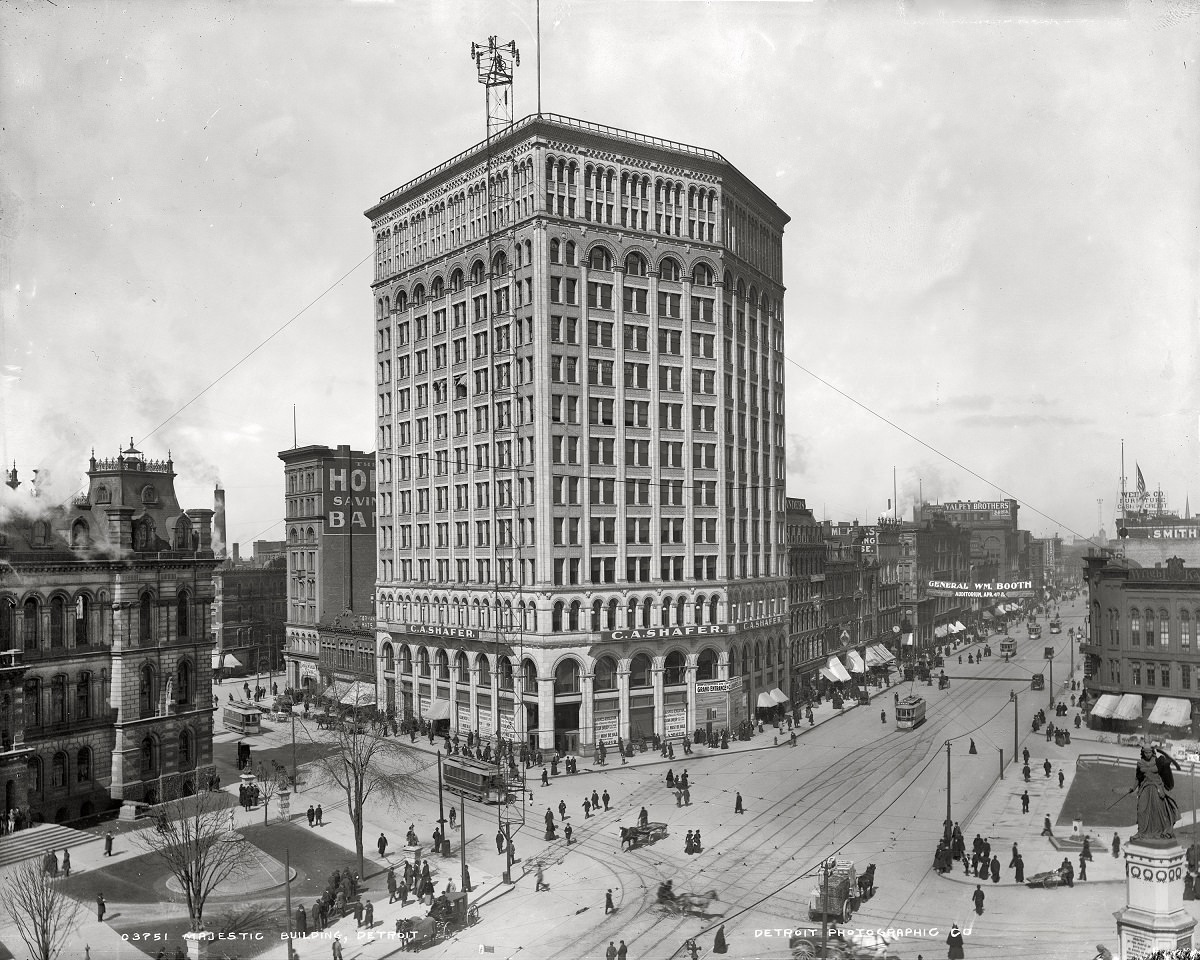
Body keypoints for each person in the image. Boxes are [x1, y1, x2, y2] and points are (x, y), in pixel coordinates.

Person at [1134, 743, 1182, 841]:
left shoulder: (1158, 761)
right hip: (1145, 788)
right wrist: (1132, 787)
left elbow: (1165, 772)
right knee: (1141, 810)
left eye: (1149, 752)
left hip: (1156, 788)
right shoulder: (1140, 763)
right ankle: (1141, 832)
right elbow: (1137, 778)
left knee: (1158, 811)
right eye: (1146, 752)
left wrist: (1167, 764)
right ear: (1143, 753)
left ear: (1152, 752)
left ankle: (1161, 831)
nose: (1147, 754)